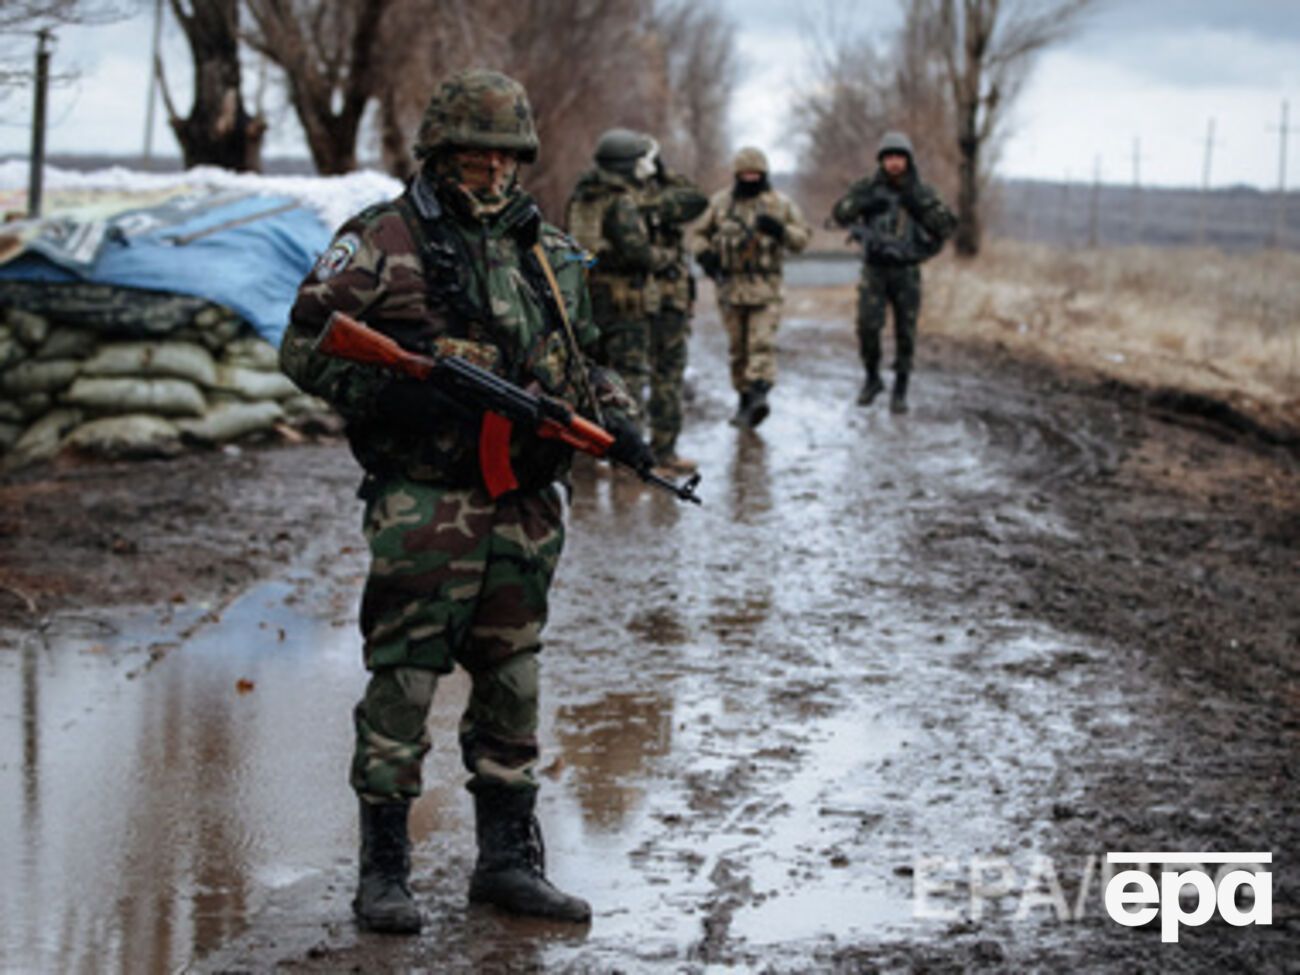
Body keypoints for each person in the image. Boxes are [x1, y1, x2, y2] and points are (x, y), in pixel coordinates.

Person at [279, 68, 653, 934]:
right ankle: (384, 870)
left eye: (506, 156)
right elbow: (304, 348)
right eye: (473, 155)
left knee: (513, 676)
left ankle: (508, 861)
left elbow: (584, 366)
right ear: (439, 153)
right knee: (405, 677)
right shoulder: (383, 238)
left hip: (524, 501)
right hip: (424, 501)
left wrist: (623, 424)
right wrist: (394, 395)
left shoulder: (550, 254)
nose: (491, 171)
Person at [830, 131, 956, 413]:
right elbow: (839, 213)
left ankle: (900, 390)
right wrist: (863, 203)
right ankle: (872, 378)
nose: (895, 163)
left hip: (906, 270)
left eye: (899, 157)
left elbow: (946, 226)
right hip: (874, 269)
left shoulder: (922, 191)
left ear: (908, 160)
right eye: (889, 157)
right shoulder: (868, 187)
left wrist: (918, 206)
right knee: (867, 326)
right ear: (882, 160)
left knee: (905, 332)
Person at [691, 146, 811, 428]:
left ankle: (759, 394)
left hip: (765, 287)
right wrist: (706, 256)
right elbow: (698, 235)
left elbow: (802, 238)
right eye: (745, 173)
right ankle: (744, 399)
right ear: (736, 175)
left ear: (764, 174)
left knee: (761, 343)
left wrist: (780, 230)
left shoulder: (779, 204)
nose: (750, 178)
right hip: (730, 287)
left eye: (755, 173)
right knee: (738, 349)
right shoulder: (720, 204)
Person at [563, 128, 675, 429]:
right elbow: (637, 253)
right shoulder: (621, 200)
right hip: (626, 303)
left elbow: (572, 248)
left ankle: (588, 446)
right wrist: (666, 257)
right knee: (630, 377)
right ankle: (626, 453)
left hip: (589, 298)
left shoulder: (582, 195)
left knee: (590, 376)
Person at [638, 155, 708, 475]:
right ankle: (640, 454)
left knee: (665, 376)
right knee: (642, 377)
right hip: (647, 301)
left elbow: (695, 200)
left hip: (666, 301)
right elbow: (692, 200)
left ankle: (659, 451)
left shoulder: (650, 195)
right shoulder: (639, 199)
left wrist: (664, 172)